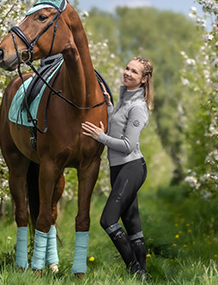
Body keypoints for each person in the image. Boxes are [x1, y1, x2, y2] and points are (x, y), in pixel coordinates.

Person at [81, 57, 153, 280]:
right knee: (132, 224)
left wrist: (100, 137)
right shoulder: (123, 100)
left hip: (132, 167)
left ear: (143, 79)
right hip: (119, 169)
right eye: (127, 68)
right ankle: (143, 276)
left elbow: (128, 145)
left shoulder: (138, 107)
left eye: (134, 72)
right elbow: (117, 123)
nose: (128, 73)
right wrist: (109, 106)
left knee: (108, 220)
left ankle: (134, 270)